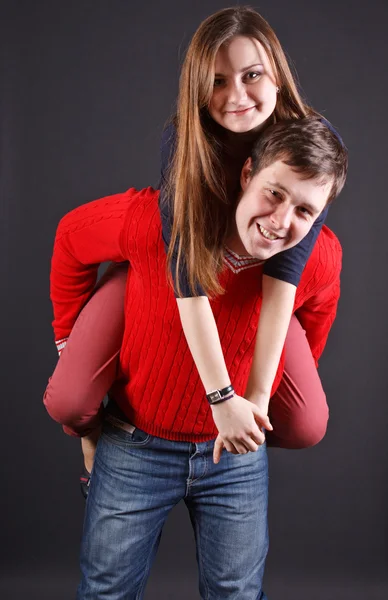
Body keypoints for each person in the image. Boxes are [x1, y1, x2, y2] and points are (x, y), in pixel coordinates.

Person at [45, 116, 347, 598]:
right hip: (133, 441)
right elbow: (71, 236)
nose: (280, 222)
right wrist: (69, 344)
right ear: (247, 174)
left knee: (237, 594)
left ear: (319, 219)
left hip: (232, 456)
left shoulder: (320, 258)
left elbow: (316, 319)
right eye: (274, 193)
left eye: (305, 211)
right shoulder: (151, 221)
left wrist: (263, 397)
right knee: (106, 592)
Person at [44, 8, 340, 488]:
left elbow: (285, 280)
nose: (237, 96)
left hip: (259, 278)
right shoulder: (185, 145)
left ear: (279, 79)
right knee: (69, 399)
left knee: (307, 422)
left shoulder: (314, 151)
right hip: (176, 267)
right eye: (217, 81)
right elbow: (189, 283)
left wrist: (257, 403)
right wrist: (222, 397)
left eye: (252, 75)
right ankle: (99, 430)